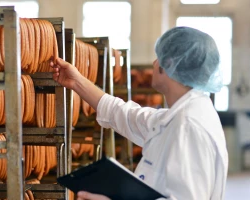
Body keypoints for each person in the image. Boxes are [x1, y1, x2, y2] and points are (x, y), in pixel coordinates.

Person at [50, 27, 228, 200]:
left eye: (159, 57)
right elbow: (122, 114)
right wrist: (76, 81)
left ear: (170, 64)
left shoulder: (189, 126)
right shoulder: (178, 117)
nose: (153, 63)